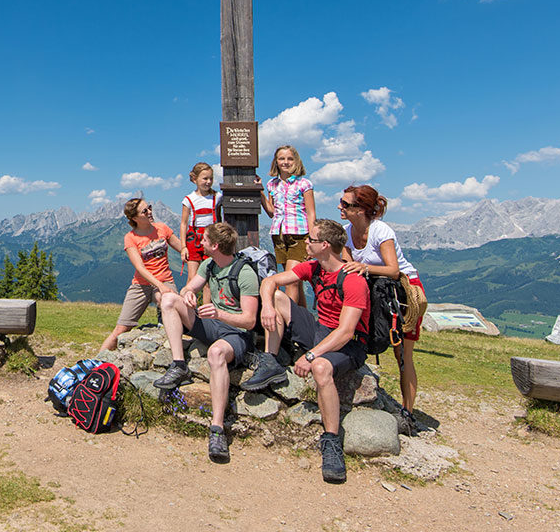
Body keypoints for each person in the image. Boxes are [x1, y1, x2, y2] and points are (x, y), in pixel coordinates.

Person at [240, 218, 369, 484]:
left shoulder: (354, 281)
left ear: (325, 245)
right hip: (320, 329)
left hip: (349, 342)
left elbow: (345, 332)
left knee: (321, 368)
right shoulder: (314, 267)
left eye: (310, 239)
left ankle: (331, 441)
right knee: (276, 297)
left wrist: (312, 356)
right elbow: (271, 282)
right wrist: (266, 307)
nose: (306, 243)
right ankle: (271, 361)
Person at [150, 222, 257, 464]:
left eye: (205, 240)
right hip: (211, 322)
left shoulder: (245, 273)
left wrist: (220, 315)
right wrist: (188, 292)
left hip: (235, 333)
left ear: (216, 245)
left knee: (216, 354)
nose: (200, 243)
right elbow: (191, 286)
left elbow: (250, 321)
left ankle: (217, 428)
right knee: (168, 299)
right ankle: (179, 364)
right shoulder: (209, 264)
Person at [340, 184, 425, 434]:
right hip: (376, 292)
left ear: (362, 209)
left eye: (346, 204)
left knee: (403, 355)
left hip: (403, 294)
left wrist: (363, 268)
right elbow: (348, 265)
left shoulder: (380, 230)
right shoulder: (347, 232)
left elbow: (393, 269)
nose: (340, 207)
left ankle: (408, 412)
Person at [101, 198, 185, 351]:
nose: (150, 212)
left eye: (150, 208)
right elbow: (140, 268)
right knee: (121, 329)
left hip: (166, 280)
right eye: (145, 211)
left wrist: (190, 251)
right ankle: (95, 364)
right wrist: (159, 286)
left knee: (164, 299)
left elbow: (182, 248)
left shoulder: (162, 228)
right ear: (134, 218)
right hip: (141, 284)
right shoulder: (131, 238)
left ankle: (174, 352)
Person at [258, 144, 315, 305]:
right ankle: (304, 319)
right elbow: (271, 212)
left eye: (290, 158)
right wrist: (261, 192)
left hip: (300, 234)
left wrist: (312, 239)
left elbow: (311, 212)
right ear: (276, 162)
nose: (285, 162)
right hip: (279, 235)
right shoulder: (272, 185)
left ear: (296, 161)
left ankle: (290, 322)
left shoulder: (304, 184)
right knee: (294, 281)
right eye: (281, 158)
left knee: (291, 280)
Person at [180, 161, 219, 304]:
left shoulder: (216, 197)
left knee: (208, 277)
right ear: (195, 179)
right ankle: (188, 307)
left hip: (211, 238)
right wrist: (183, 246)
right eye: (205, 178)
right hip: (194, 238)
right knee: (192, 277)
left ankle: (206, 310)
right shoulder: (189, 199)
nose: (208, 182)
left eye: (211, 178)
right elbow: (184, 224)